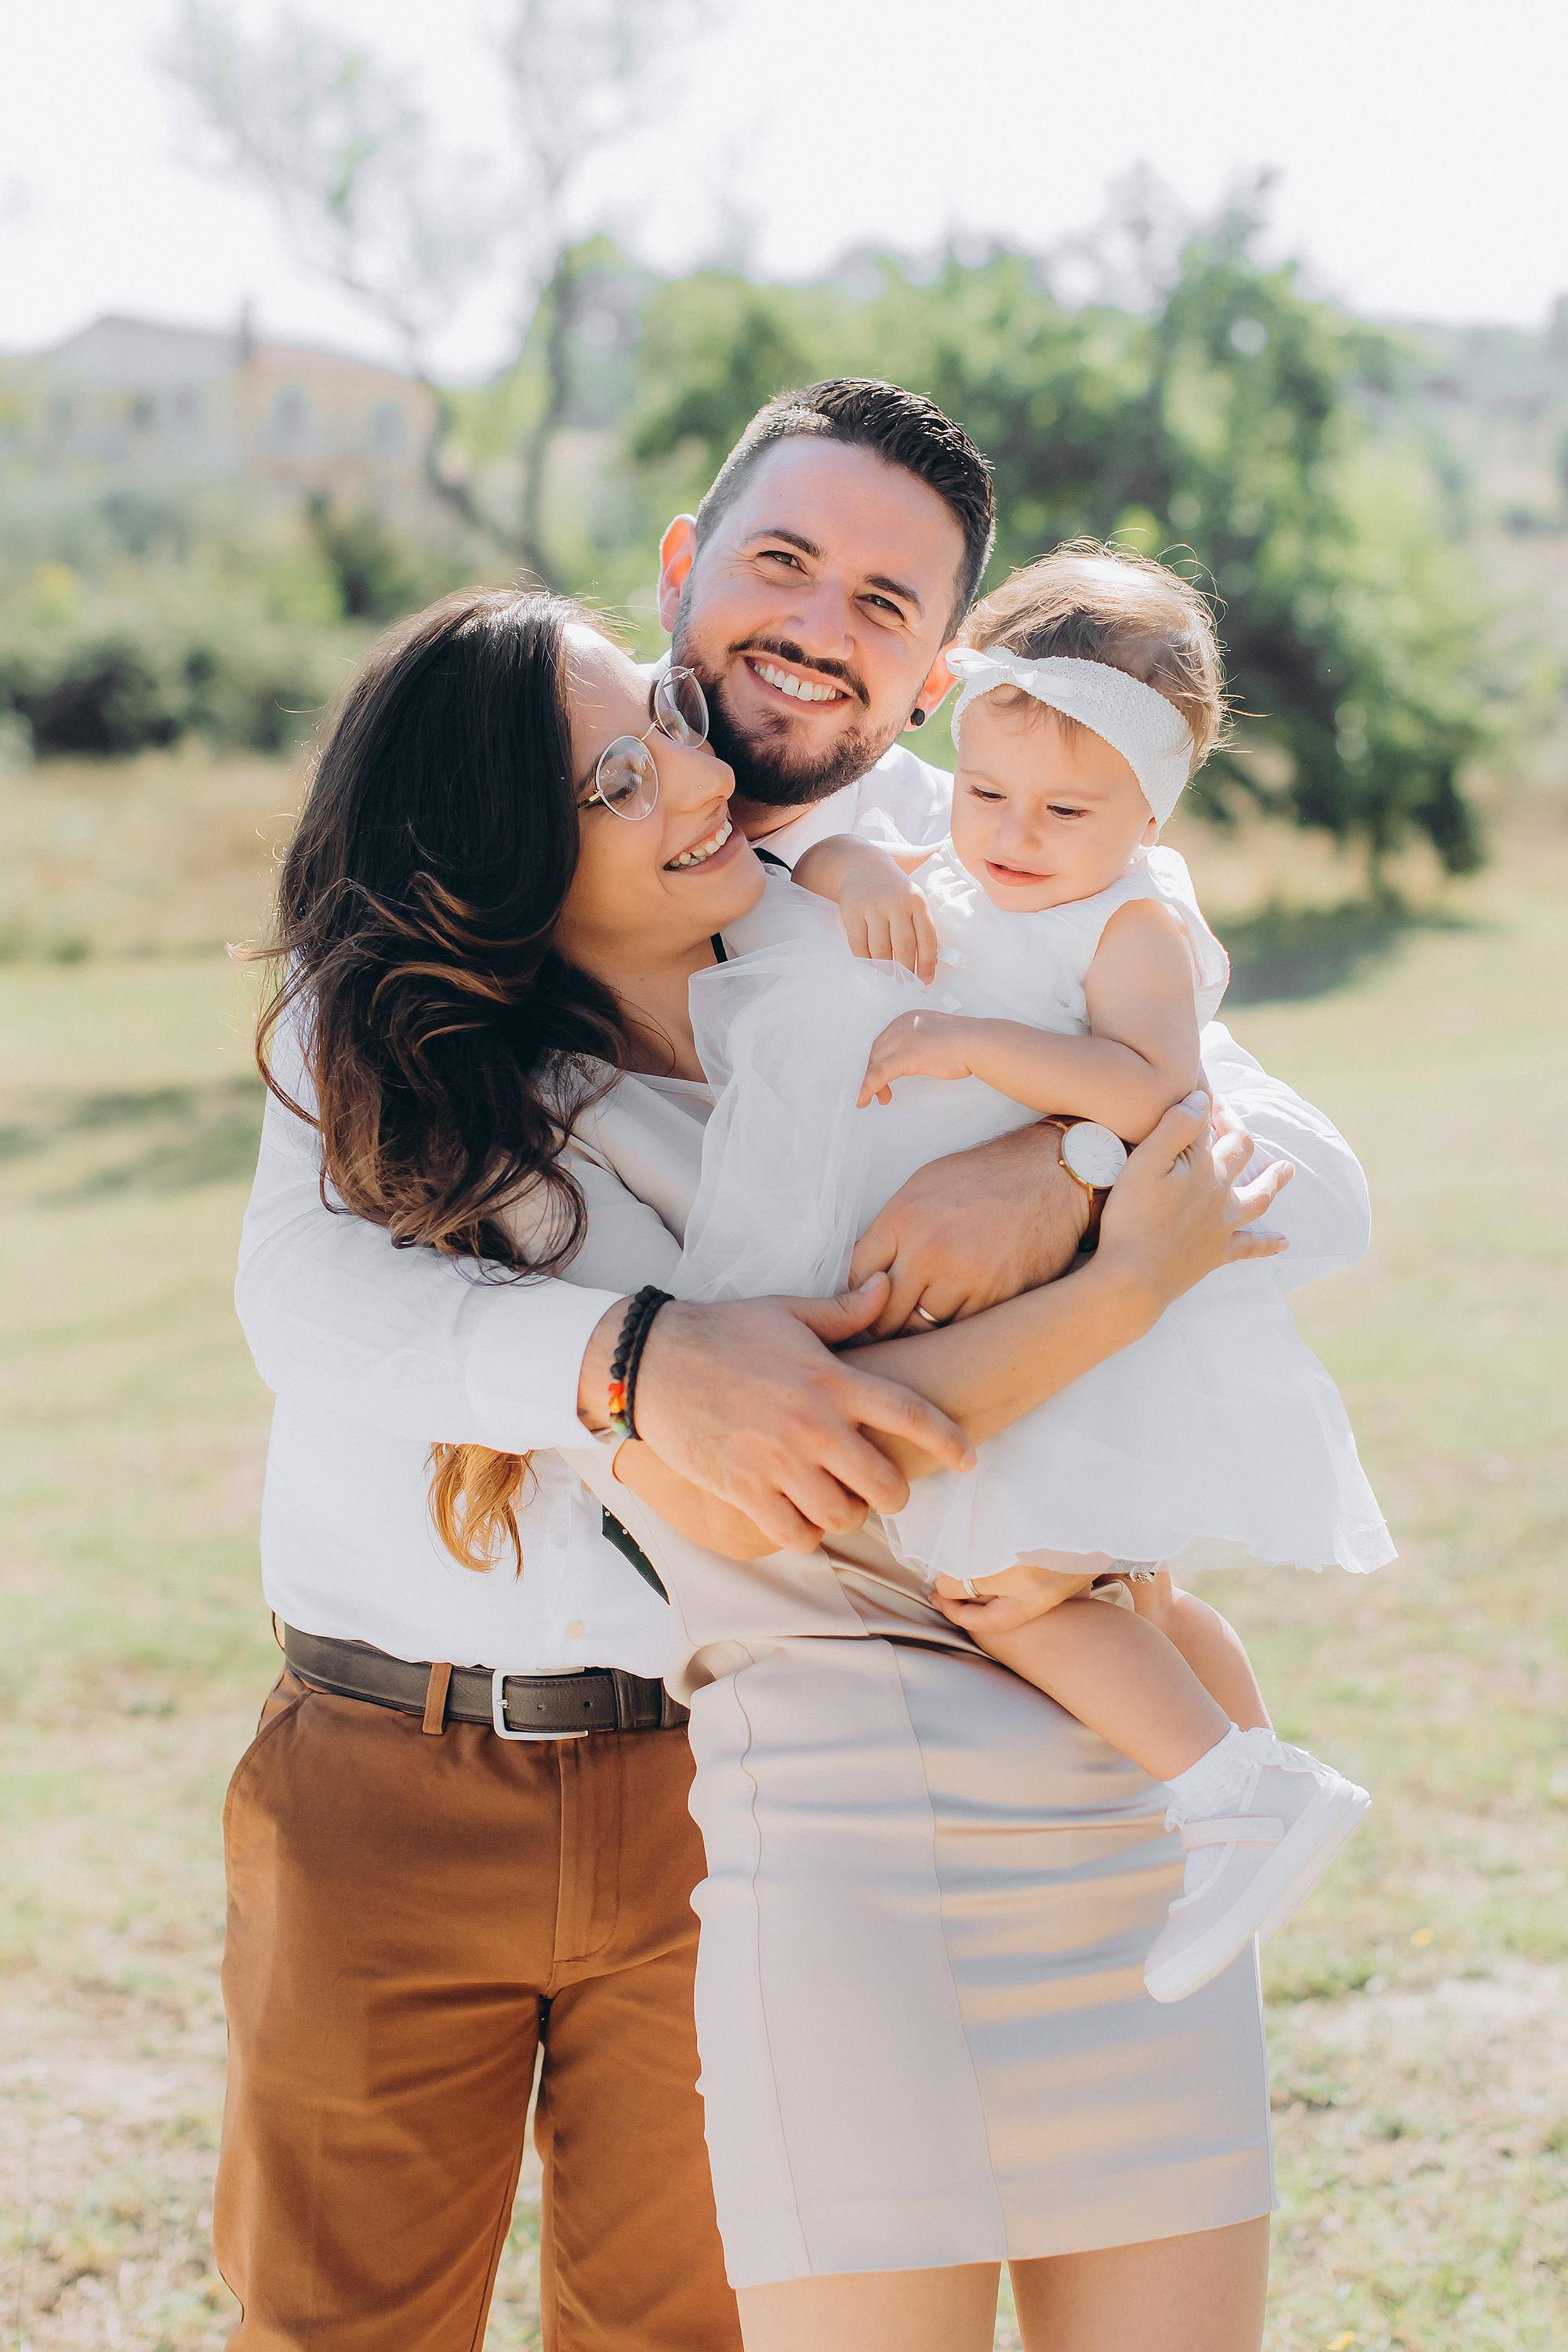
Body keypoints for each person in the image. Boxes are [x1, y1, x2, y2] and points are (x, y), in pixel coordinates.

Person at [223, 382, 1371, 2352]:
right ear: (685, 564)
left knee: (677, 2328)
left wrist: (1062, 1161)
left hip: (734, 1757)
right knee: (336, 2323)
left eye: (885, 601)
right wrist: (637, 1363)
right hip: (400, 1736)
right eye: (782, 561)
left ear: (944, 662)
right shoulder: (425, 947)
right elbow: (307, 1302)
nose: (820, 629)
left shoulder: (980, 861)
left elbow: (1296, 1178)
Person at [673, 540, 1388, 2009]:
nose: (1012, 835)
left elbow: (1156, 1091)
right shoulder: (969, 864)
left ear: (1149, 812)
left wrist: (980, 1050)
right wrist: (857, 866)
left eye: (1066, 813)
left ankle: (1231, 1793)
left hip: (1088, 1319)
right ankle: (1250, 1802)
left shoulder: (1132, 924)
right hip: (1013, 1316)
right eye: (987, 792)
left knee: (1001, 1585)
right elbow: (858, 873)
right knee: (1125, 1587)